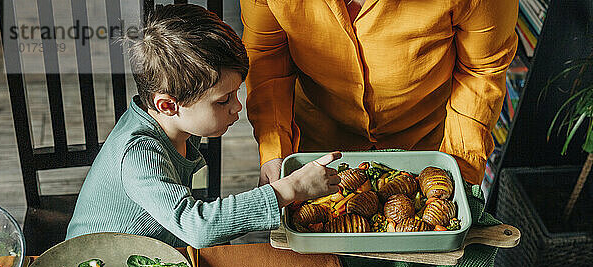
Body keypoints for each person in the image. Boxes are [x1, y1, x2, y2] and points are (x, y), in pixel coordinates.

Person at [66, 4, 342, 248]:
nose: (238, 107)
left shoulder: (175, 125)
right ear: (168, 105)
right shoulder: (140, 154)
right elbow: (197, 227)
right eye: (223, 100)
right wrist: (290, 189)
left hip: (156, 247)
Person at [241, 0, 518, 186]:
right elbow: (267, 54)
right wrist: (274, 149)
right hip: (316, 136)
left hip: (427, 142)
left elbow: (481, 70)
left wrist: (461, 168)